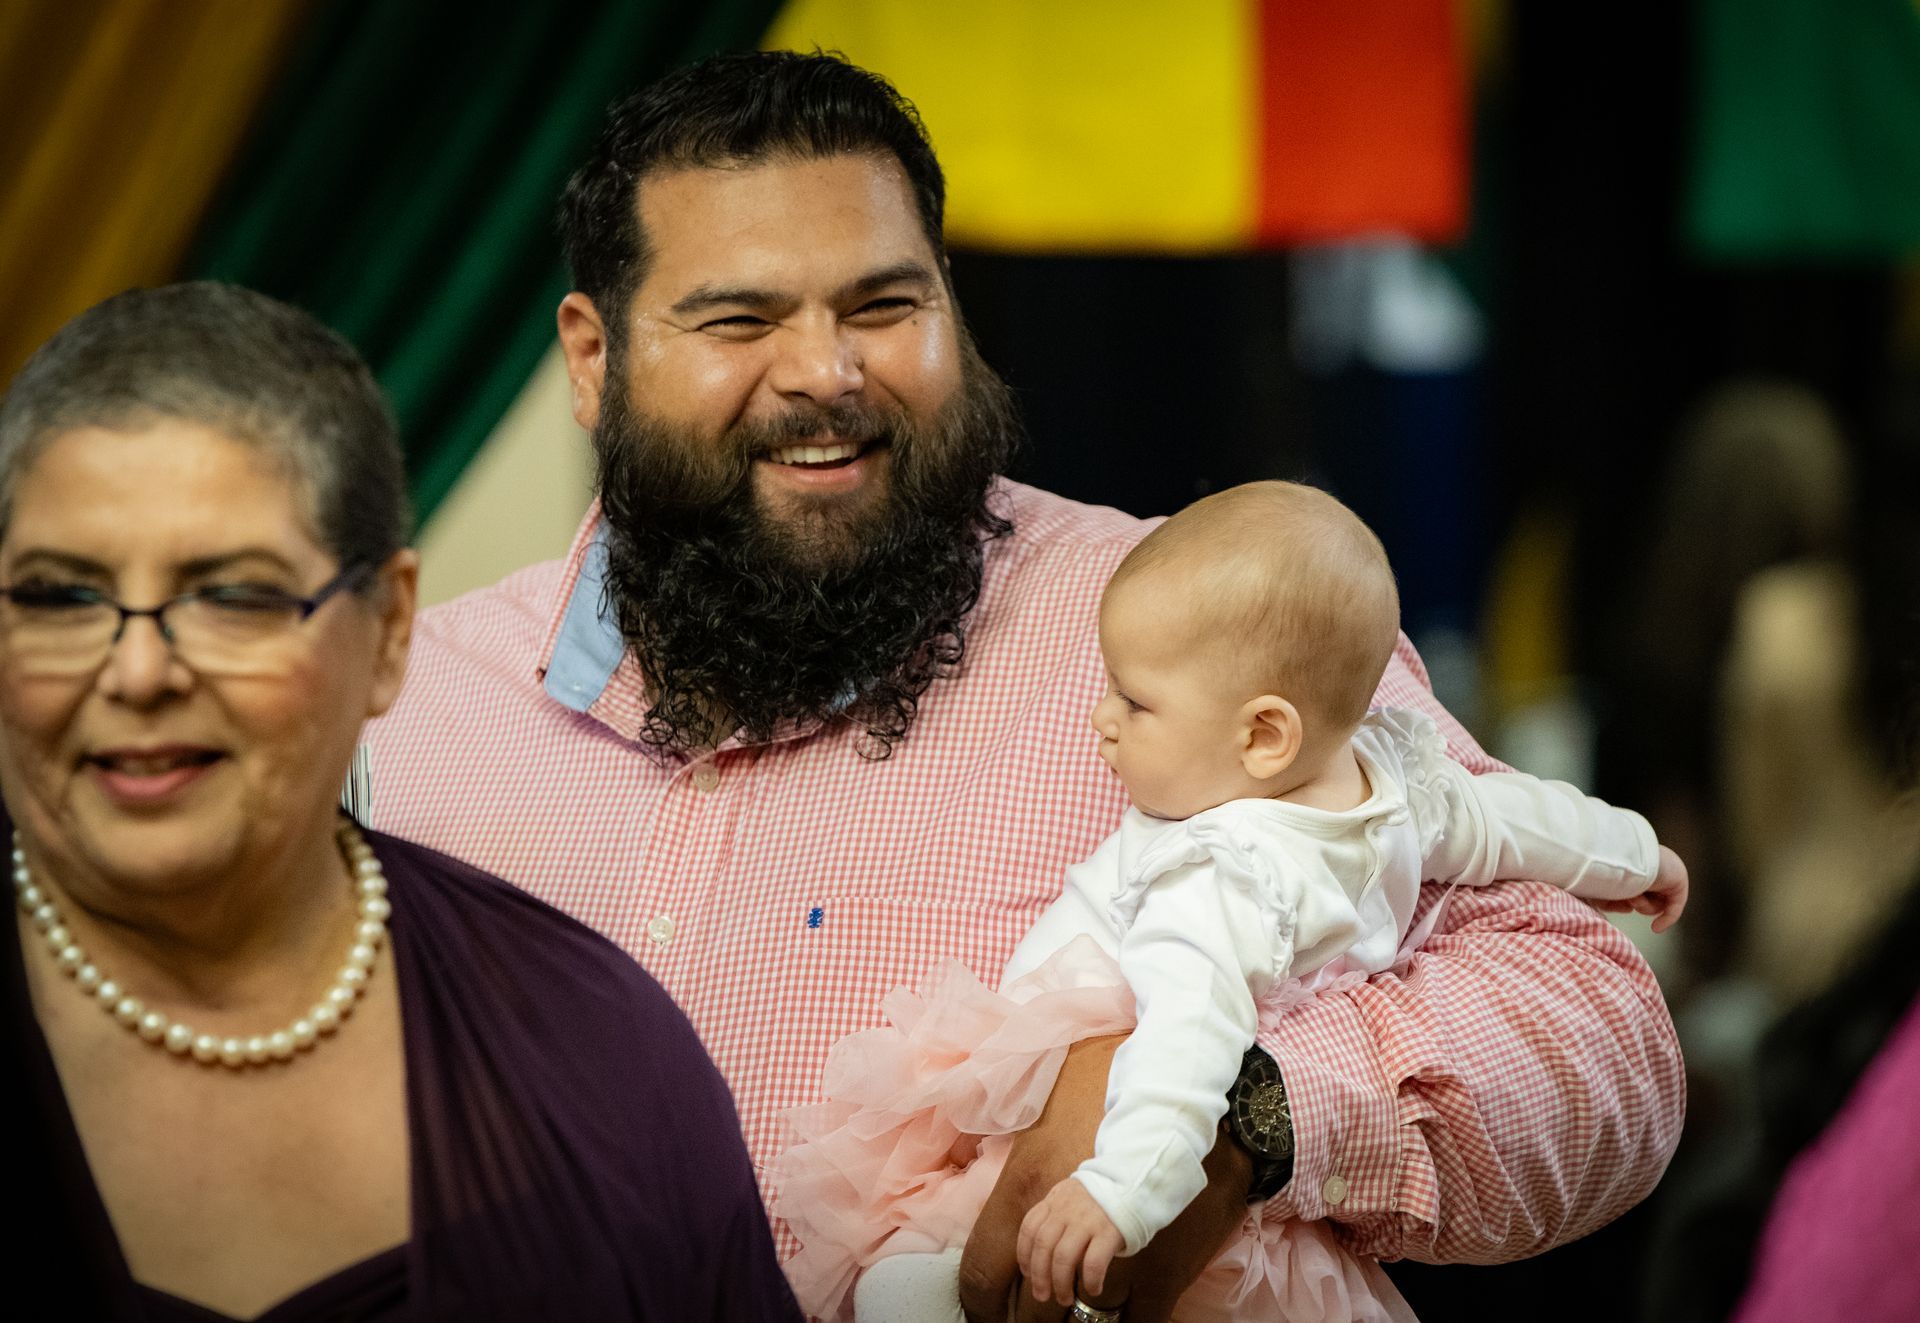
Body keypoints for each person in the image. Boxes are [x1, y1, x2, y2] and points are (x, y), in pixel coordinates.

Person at [361, 51, 1686, 1322]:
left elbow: (1602, 1031)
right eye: (741, 318)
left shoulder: (1194, 627)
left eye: (885, 306)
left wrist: (1248, 1111)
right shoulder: (408, 720)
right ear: (593, 360)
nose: (827, 373)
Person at [3, 283, 801, 1322]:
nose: (140, 670)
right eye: (64, 597)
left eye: (235, 597)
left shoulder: (595, 1052)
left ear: (387, 632)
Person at [776, 482, 1688, 1323]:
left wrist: (1121, 1194)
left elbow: (1186, 1042)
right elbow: (1511, 822)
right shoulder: (1388, 780)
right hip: (1127, 1082)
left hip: (1147, 1094)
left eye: (1133, 700)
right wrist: (1636, 855)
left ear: (1262, 735)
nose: (1101, 718)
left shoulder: (1222, 875)